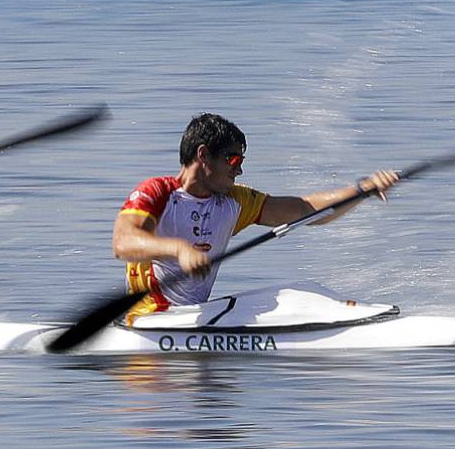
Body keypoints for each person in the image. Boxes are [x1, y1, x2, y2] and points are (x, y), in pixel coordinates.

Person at [114, 113, 398, 320]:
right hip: (150, 321)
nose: (239, 170)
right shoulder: (157, 192)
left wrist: (362, 190)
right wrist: (179, 249)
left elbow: (306, 209)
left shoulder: (235, 201)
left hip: (195, 317)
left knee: (297, 293)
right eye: (233, 160)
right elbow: (123, 243)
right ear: (203, 155)